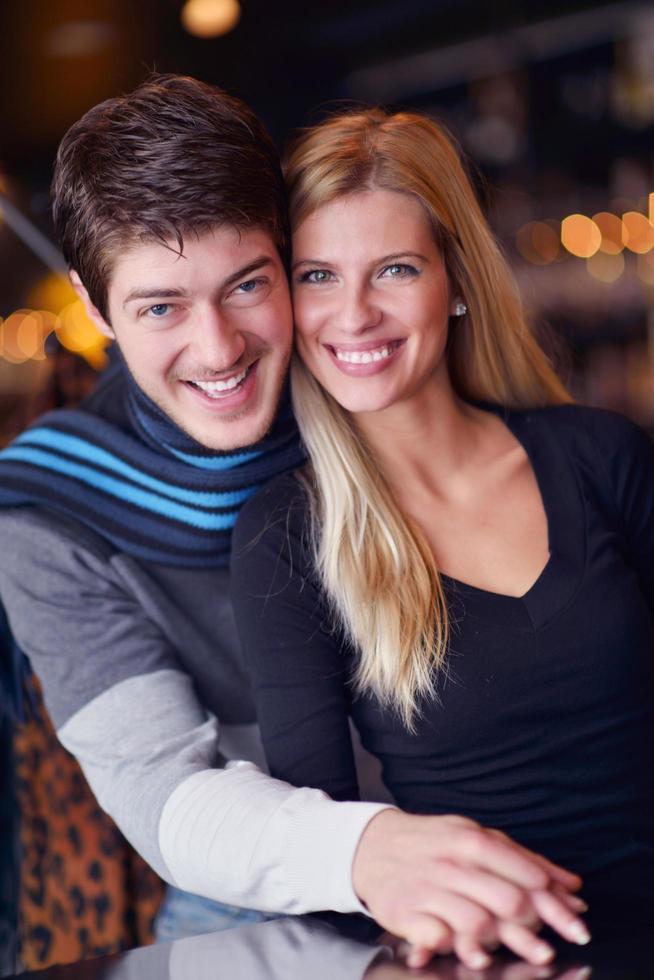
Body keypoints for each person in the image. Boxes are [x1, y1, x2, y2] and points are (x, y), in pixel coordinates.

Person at [0, 77, 584, 970]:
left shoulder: (374, 375)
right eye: (160, 307)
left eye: (246, 286)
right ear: (90, 305)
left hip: (527, 826)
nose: (219, 347)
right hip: (265, 881)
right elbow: (163, 790)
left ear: (287, 255)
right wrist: (364, 850)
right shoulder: (51, 515)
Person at [231, 107, 654, 965]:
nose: (352, 315)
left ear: (455, 280)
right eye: (317, 275)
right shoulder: (288, 537)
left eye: (393, 269)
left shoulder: (601, 457)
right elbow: (325, 858)